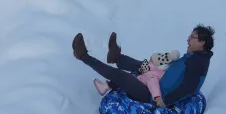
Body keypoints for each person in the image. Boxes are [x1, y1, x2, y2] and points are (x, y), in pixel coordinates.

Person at [72, 26, 215, 107]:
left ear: (202, 42)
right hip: (158, 79)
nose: (188, 39)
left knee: (122, 77)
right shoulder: (195, 57)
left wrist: (164, 101)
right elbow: (178, 73)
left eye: (192, 37)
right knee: (142, 65)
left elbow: (187, 88)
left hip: (153, 94)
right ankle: (116, 57)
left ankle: (84, 56)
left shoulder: (197, 63)